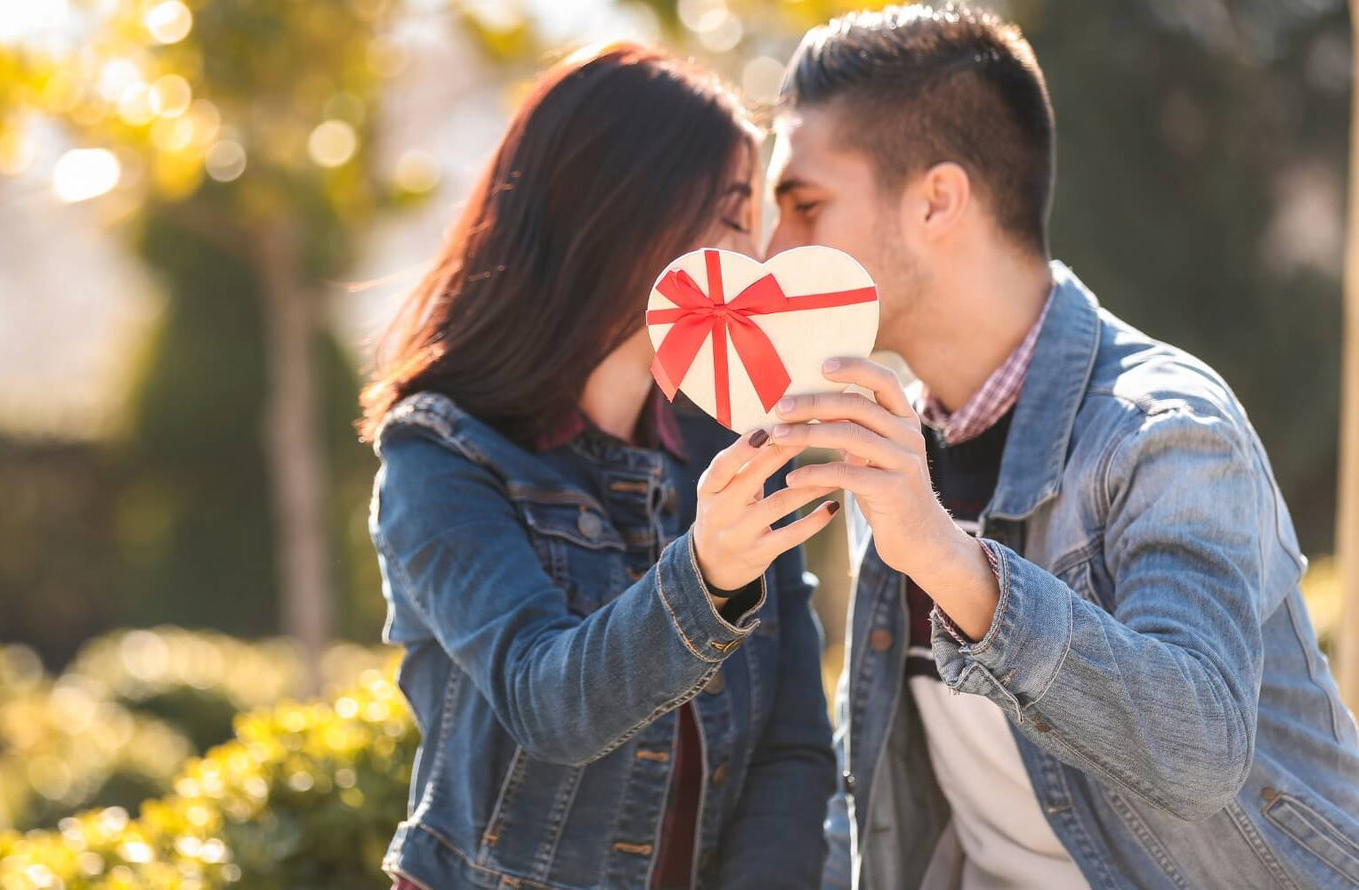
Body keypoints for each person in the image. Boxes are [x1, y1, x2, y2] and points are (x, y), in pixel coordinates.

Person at [748, 5, 1359, 888]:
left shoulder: (1166, 428)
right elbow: (878, 792)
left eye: (804, 205)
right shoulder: (893, 442)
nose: (772, 250)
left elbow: (1197, 749)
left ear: (937, 201)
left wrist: (954, 564)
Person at [358, 44, 838, 890]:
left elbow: (792, 747)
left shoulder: (730, 449)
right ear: (620, 211)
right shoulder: (440, 454)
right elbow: (549, 703)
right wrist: (709, 574)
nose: (753, 257)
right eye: (730, 215)